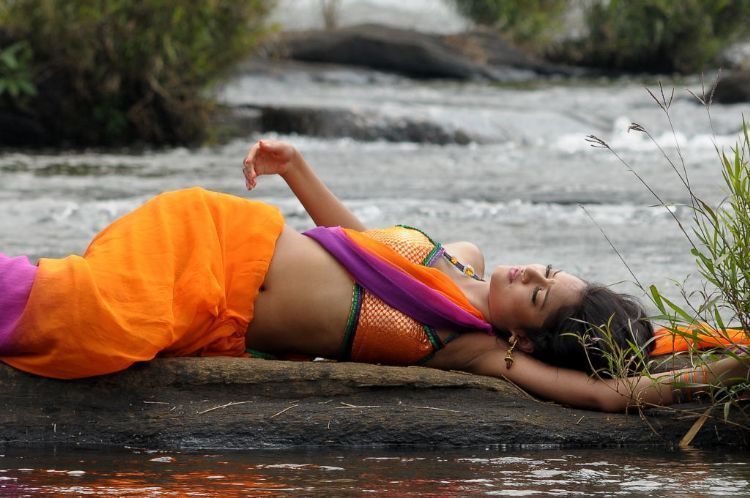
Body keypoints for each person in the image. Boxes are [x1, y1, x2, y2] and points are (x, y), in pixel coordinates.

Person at [0, 140, 747, 413]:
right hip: (212, 234)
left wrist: (724, 370)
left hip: (217, 307)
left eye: (537, 292)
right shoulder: (461, 258)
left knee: (85, 321)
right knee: (82, 311)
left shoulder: (480, 349)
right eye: (545, 270)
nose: (526, 271)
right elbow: (358, 244)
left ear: (525, 336)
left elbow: (613, 393)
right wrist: (297, 168)